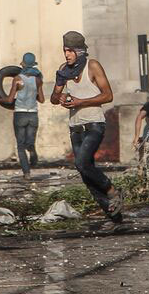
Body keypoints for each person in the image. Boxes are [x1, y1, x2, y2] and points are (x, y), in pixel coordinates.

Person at [50, 31, 124, 224]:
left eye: (70, 51)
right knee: (85, 173)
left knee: (82, 163)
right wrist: (60, 92)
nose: (67, 55)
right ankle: (113, 215)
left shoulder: (92, 66)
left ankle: (112, 191)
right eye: (65, 50)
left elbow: (108, 95)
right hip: (75, 127)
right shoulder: (64, 69)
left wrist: (80, 102)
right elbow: (53, 99)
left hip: (94, 125)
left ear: (80, 51)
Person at [0, 52, 43, 178]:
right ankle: (31, 148)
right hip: (33, 114)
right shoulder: (38, 80)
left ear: (23, 63)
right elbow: (42, 99)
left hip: (20, 114)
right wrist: (33, 94)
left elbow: (10, 100)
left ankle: (27, 173)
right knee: (29, 141)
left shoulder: (18, 79)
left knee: (20, 146)